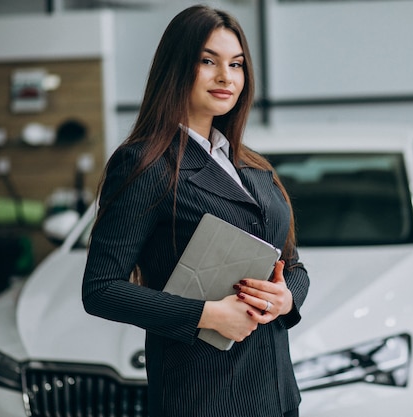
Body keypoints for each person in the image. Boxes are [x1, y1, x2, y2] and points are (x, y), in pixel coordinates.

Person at [82, 4, 310, 417]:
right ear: (176, 67)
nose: (226, 77)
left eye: (236, 64)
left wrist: (285, 299)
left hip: (277, 396)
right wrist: (208, 315)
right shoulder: (146, 164)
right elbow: (100, 289)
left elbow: (292, 266)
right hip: (203, 399)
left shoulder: (253, 167)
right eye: (208, 61)